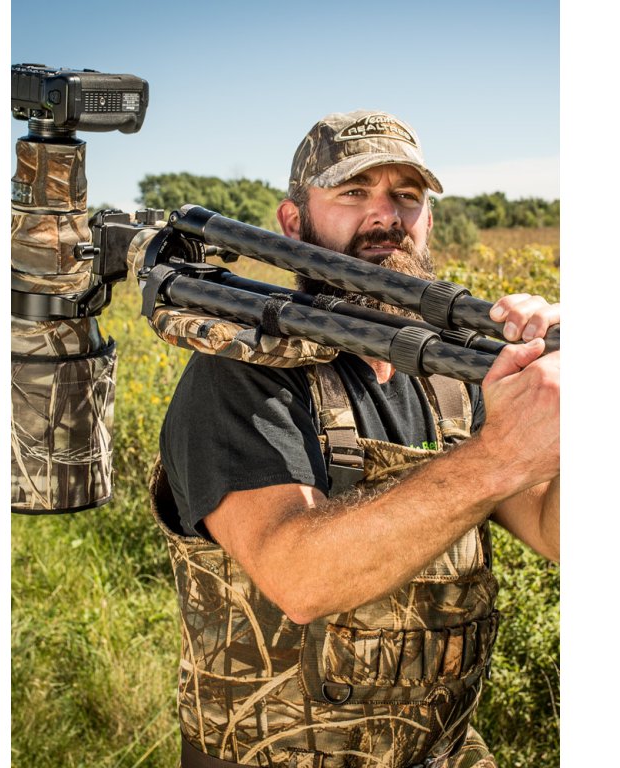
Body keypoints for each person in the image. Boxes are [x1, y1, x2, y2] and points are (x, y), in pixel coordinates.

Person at [150, 110, 560, 768]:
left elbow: (551, 529)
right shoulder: (242, 371)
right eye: (353, 192)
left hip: (441, 751)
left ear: (428, 220)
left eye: (407, 195)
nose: (385, 216)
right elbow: (298, 577)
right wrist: (500, 456)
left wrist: (563, 400)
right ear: (293, 224)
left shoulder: (453, 374)